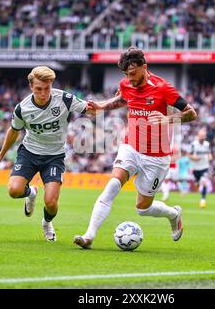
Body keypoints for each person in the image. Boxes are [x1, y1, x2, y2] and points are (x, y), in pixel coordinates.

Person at [74, 47, 197, 249]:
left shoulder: (163, 88)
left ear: (144, 67)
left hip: (156, 155)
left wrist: (168, 119)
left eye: (132, 73)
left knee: (142, 208)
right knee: (113, 185)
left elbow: (191, 113)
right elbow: (123, 98)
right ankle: (89, 236)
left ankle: (174, 214)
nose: (129, 79)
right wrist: (101, 106)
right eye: (126, 75)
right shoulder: (126, 84)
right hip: (131, 146)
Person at [0, 66, 95, 242]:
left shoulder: (64, 99)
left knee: (51, 204)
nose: (43, 93)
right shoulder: (22, 108)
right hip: (29, 153)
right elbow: (14, 131)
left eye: (47, 89)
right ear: (31, 87)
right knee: (14, 190)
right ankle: (31, 193)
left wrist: (117, 101)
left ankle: (46, 223)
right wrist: (0, 155)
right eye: (39, 89)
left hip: (54, 156)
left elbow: (93, 109)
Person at [189, 127, 213, 208]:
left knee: (204, 182)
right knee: (197, 184)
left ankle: (203, 200)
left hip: (204, 167)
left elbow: (209, 153)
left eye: (203, 136)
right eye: (201, 136)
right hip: (196, 168)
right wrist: (195, 158)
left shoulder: (207, 144)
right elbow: (189, 155)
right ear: (198, 136)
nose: (202, 138)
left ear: (205, 137)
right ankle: (197, 183)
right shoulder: (193, 144)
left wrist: (210, 157)